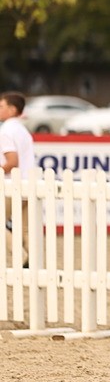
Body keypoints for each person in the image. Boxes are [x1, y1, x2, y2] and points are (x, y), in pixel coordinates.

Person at [0, 92, 37, 266]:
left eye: (1, 106)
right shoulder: (23, 130)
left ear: (12, 109)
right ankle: (34, 259)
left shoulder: (6, 130)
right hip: (28, 184)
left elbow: (12, 161)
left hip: (11, 185)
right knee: (25, 228)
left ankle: (21, 256)